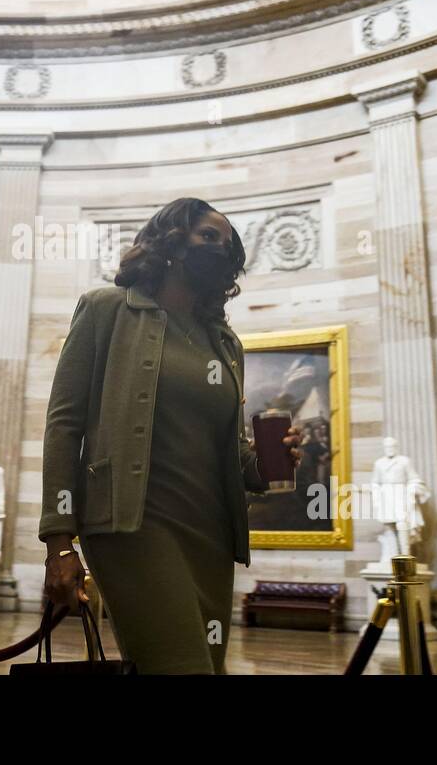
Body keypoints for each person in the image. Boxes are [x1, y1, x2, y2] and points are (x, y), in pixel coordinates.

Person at [40, 197, 299, 673]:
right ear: (170, 240)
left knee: (205, 666)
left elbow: (231, 450)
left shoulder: (224, 342)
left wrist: (266, 464)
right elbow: (64, 425)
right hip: (133, 524)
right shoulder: (108, 309)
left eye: (227, 243)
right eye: (207, 235)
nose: (218, 248)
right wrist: (59, 542)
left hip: (210, 534)